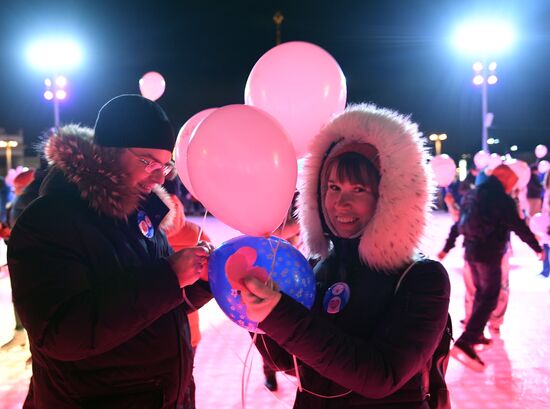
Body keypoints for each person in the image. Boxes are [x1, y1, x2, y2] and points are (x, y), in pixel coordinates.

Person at [239, 104, 451, 408]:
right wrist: (254, 313)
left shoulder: (421, 277)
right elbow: (288, 362)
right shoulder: (314, 266)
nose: (341, 202)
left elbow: (381, 376)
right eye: (333, 187)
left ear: (390, 196)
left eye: (359, 189)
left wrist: (280, 314)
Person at [7, 94, 212, 409]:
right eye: (147, 161)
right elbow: (62, 334)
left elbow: (153, 308)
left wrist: (200, 278)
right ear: (106, 153)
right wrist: (169, 278)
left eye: (165, 165)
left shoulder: (142, 215)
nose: (159, 177)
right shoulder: (49, 221)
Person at [449, 164, 544, 371]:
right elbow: (518, 227)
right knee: (490, 296)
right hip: (489, 253)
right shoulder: (502, 200)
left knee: (482, 294)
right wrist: (537, 248)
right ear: (506, 181)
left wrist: (447, 247)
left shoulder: (474, 194)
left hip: (471, 251)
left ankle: (477, 333)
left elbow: (458, 225)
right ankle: (467, 340)